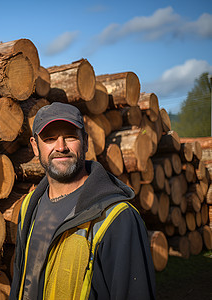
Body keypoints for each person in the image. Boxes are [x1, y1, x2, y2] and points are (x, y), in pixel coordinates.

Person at [9, 102, 156, 300]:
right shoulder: (29, 207)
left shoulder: (117, 218)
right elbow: (21, 281)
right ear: (35, 147)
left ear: (85, 142)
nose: (60, 147)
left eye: (69, 137)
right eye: (50, 139)